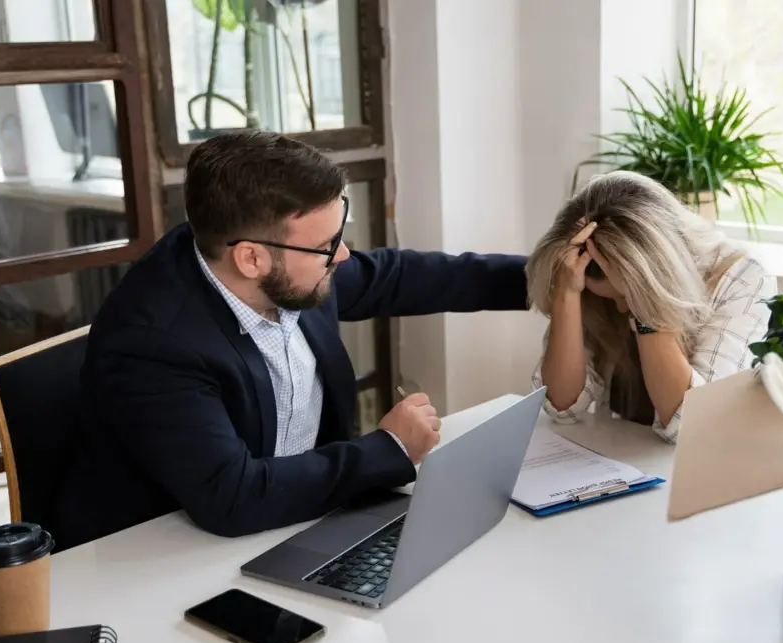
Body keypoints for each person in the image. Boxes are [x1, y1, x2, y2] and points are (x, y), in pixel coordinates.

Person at [52, 131, 529, 550]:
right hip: (162, 561)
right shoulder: (153, 342)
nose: (342, 255)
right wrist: (389, 448)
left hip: (300, 519)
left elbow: (397, 277)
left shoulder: (285, 266)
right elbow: (233, 498)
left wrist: (541, 279)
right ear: (251, 259)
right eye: (326, 247)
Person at [526, 170, 775, 444]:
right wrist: (567, 294)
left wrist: (646, 300)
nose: (622, 310)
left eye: (624, 297)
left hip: (702, 462)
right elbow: (563, 407)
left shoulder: (741, 278)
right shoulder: (583, 282)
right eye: (611, 298)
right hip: (622, 453)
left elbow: (691, 426)